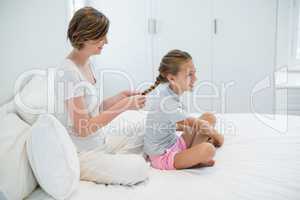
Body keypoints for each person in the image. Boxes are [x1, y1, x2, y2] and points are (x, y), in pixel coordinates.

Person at [55, 6, 149, 185]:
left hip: (99, 141)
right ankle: (114, 163)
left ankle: (114, 162)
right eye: (101, 36)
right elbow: (83, 128)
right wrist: (124, 106)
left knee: (144, 125)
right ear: (84, 36)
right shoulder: (67, 73)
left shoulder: (88, 63)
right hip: (82, 154)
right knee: (139, 168)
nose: (106, 41)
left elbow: (94, 109)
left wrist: (120, 97)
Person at [142, 49, 224, 170]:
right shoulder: (166, 103)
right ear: (172, 79)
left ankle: (193, 156)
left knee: (208, 117)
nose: (195, 78)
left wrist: (197, 130)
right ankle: (195, 158)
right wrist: (218, 139)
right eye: (190, 74)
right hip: (163, 156)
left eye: (194, 73)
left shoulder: (170, 94)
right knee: (208, 149)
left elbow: (174, 125)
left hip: (174, 144)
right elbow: (198, 125)